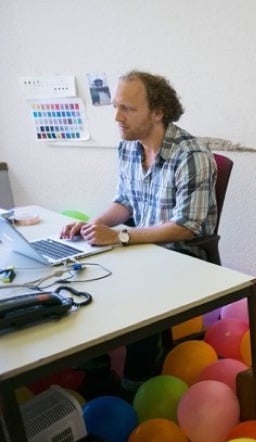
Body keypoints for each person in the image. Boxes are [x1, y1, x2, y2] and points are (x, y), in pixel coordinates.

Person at [61, 70, 218, 398]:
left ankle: (137, 383)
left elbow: (188, 227)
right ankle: (96, 370)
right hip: (142, 247)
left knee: (138, 290)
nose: (117, 117)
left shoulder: (192, 156)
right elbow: (125, 202)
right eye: (116, 106)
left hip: (183, 253)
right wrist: (91, 225)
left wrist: (119, 237)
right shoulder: (128, 147)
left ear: (158, 112)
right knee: (80, 276)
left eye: (128, 109)